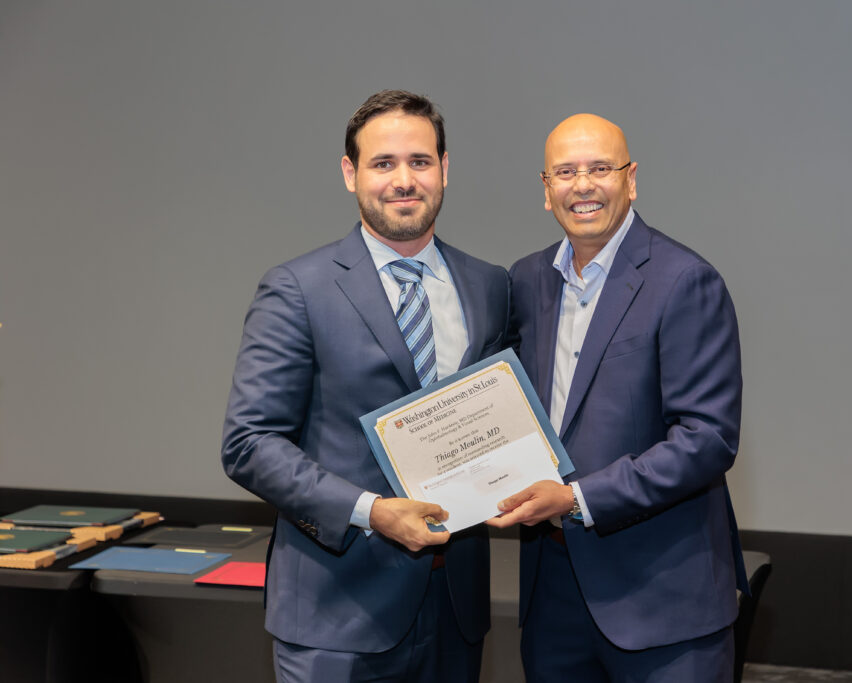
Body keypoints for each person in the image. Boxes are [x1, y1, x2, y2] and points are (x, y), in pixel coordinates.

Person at [222, 90, 510, 683]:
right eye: (384, 164)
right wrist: (372, 512)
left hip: (455, 613)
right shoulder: (298, 289)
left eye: (420, 161)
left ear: (445, 168)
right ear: (350, 173)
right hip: (336, 617)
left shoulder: (490, 287)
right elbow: (249, 443)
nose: (404, 180)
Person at [487, 113, 748, 683]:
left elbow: (707, 439)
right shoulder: (527, 281)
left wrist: (576, 497)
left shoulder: (684, 280)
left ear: (631, 180)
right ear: (546, 189)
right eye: (566, 172)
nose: (583, 185)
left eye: (600, 168)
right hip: (551, 589)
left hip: (662, 597)